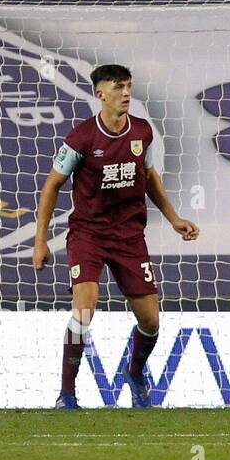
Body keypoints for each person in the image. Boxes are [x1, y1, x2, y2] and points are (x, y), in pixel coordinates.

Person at [32, 64, 200, 409]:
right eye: (118, 87)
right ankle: (67, 394)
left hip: (129, 237)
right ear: (100, 94)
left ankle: (135, 373)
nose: (126, 93)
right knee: (84, 311)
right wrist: (40, 239)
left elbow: (149, 177)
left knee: (151, 321)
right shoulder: (81, 138)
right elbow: (51, 185)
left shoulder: (142, 132)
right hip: (88, 235)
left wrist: (173, 218)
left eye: (128, 86)